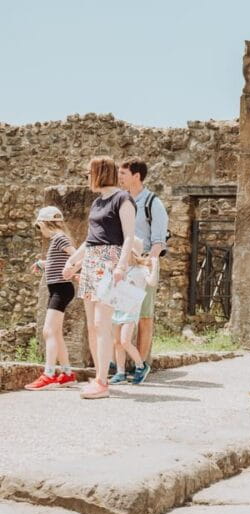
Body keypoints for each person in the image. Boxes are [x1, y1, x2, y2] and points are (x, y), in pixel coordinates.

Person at [63, 156, 137, 400]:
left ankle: (103, 382)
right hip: (93, 261)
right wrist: (72, 260)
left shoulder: (122, 199)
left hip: (110, 261)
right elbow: (91, 239)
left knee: (101, 323)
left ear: (100, 172)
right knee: (92, 327)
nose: (86, 177)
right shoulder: (96, 203)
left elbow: (128, 236)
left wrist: (121, 265)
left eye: (89, 173)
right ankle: (99, 376)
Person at [118, 158, 169, 368]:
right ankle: (121, 363)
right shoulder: (121, 200)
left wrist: (147, 264)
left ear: (136, 176)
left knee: (144, 316)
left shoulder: (152, 203)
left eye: (123, 173)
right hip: (122, 265)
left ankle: (141, 364)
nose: (119, 177)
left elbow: (158, 241)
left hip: (142, 264)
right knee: (120, 314)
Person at [24, 207, 78, 390]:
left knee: (48, 331)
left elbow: (76, 255)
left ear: (44, 224)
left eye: (39, 227)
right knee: (55, 332)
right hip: (58, 288)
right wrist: (43, 263)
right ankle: (67, 373)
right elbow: (59, 261)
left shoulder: (59, 238)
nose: (40, 232)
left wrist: (74, 270)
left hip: (61, 289)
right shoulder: (57, 239)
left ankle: (49, 374)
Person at [109, 238, 158, 386]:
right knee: (117, 342)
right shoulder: (120, 269)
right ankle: (120, 372)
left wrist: (155, 266)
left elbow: (152, 283)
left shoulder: (141, 270)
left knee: (125, 341)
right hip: (118, 308)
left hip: (131, 310)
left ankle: (140, 366)